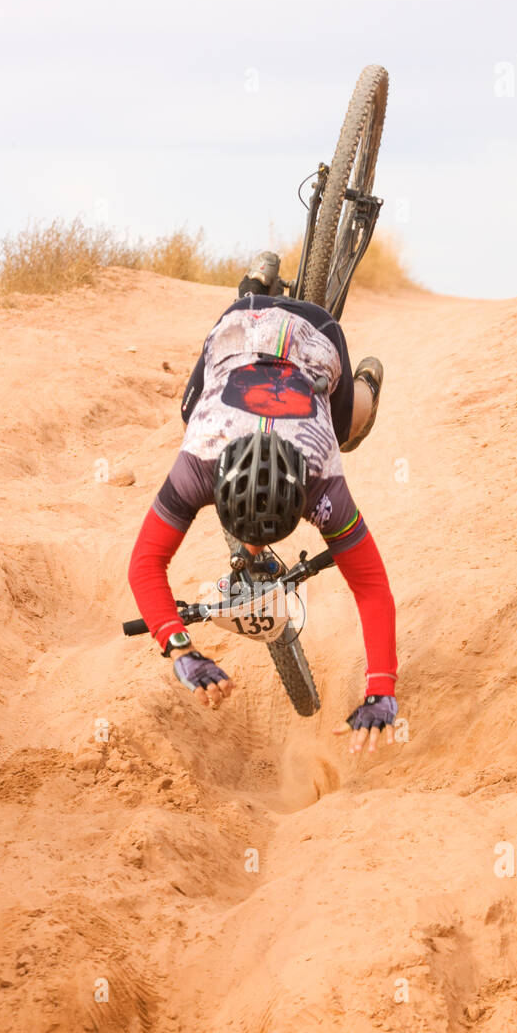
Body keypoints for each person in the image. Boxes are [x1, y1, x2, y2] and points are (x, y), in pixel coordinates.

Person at [127, 251, 399, 755]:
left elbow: (146, 564)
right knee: (197, 412)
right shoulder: (201, 457)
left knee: (346, 432)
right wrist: (180, 647)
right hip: (291, 336)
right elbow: (372, 589)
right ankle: (257, 285)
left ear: (304, 501)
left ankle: (364, 383)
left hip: (281, 328)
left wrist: (180, 648)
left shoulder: (321, 476)